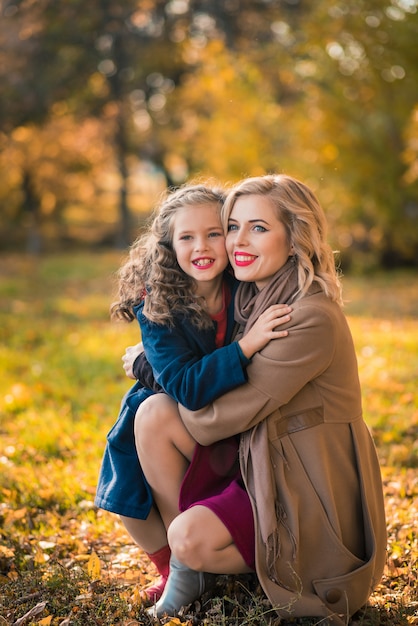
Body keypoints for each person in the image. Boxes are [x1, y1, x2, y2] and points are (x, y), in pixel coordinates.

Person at [136, 174, 387, 625]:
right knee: (152, 414)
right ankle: (186, 567)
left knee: (190, 536)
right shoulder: (251, 295)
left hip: (306, 483)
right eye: (232, 226)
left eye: (258, 227)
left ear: (294, 239)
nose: (236, 241)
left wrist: (149, 368)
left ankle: (201, 554)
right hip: (259, 456)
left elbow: (215, 420)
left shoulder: (306, 317)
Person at [94, 183, 292, 604]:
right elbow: (185, 387)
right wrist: (245, 346)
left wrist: (145, 365)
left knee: (162, 414)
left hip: (233, 423)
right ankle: (177, 569)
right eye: (187, 237)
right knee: (133, 503)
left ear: (230, 235)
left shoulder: (246, 286)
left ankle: (206, 555)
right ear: (168, 246)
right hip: (177, 419)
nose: (201, 247)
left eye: (213, 233)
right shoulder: (157, 301)